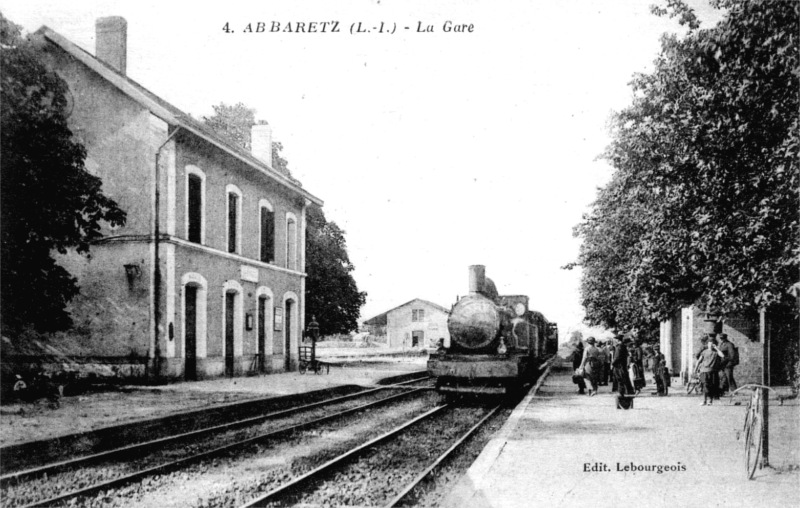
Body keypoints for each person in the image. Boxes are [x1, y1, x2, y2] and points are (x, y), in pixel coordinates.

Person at [697, 337, 724, 406]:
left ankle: (710, 401)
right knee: (705, 386)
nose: (711, 345)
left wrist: (717, 348)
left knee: (712, 386)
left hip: (713, 372)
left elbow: (722, 355)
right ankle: (704, 400)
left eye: (712, 344)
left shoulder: (715, 352)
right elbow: (699, 361)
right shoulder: (704, 352)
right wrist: (695, 369)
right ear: (707, 344)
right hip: (704, 371)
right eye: (709, 344)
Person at [612, 335, 635, 408]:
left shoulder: (619, 347)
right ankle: (624, 396)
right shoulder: (623, 346)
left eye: (615, 340)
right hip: (623, 367)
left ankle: (621, 396)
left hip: (619, 367)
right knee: (624, 381)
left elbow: (617, 357)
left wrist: (613, 363)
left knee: (620, 381)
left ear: (617, 340)